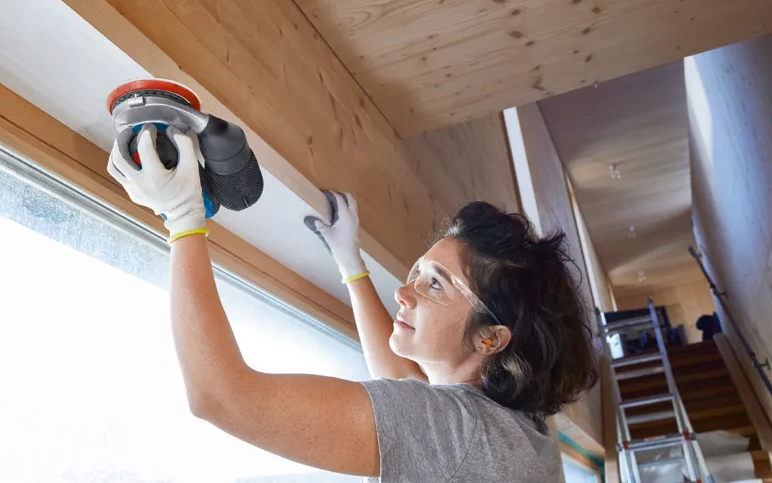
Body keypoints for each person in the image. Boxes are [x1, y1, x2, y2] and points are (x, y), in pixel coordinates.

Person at [107, 124, 600, 482]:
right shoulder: (517, 426)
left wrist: (183, 218)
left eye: (435, 285)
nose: (402, 293)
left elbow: (223, 398)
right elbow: (403, 388)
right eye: (416, 273)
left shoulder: (462, 433)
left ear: (490, 337)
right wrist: (352, 265)